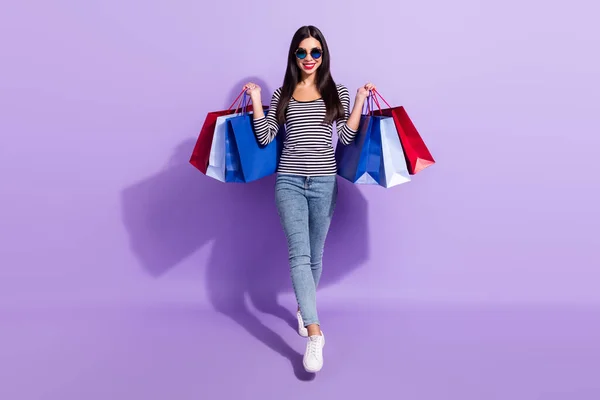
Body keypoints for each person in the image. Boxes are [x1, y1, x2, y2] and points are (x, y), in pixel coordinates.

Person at [243, 25, 375, 373]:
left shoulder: (337, 91)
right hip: (288, 181)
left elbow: (346, 136)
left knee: (316, 254)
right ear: (294, 55)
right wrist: (257, 100)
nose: (309, 58)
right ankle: (315, 335)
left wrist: (360, 99)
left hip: (323, 182)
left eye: (315, 52)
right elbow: (264, 136)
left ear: (323, 55)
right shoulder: (284, 93)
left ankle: (304, 309)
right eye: (302, 52)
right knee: (299, 253)